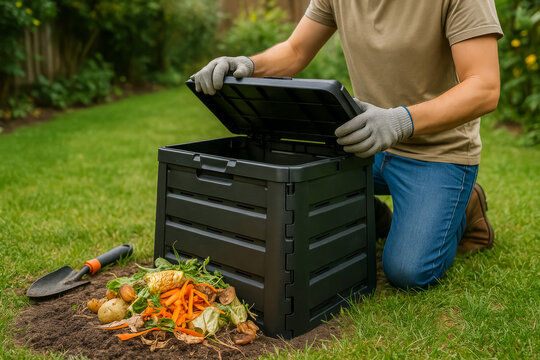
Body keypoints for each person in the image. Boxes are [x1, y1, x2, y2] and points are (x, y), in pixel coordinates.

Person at [190, 0, 502, 289]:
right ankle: (375, 216)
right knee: (300, 187)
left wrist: (400, 121)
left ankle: (465, 205)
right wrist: (245, 64)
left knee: (409, 271)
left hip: (437, 153)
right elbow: (296, 50)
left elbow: (484, 87)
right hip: (368, 140)